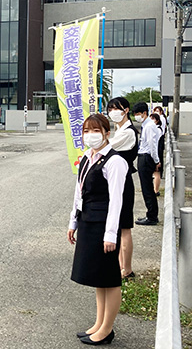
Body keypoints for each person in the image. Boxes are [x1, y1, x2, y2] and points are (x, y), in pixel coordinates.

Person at [68, 113, 128, 346]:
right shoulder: (86, 157)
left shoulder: (115, 162)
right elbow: (78, 192)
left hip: (104, 225)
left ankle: (107, 329)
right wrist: (73, 222)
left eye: (95, 131)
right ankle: (99, 323)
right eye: (86, 131)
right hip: (87, 221)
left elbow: (116, 201)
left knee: (109, 278)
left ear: (107, 133)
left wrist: (111, 234)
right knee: (97, 277)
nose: (90, 135)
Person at [107, 97, 138, 280]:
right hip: (116, 181)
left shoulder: (128, 133)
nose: (113, 112)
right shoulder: (120, 130)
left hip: (124, 182)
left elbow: (106, 148)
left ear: (126, 110)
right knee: (117, 226)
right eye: (110, 109)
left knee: (124, 227)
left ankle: (127, 270)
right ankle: (121, 266)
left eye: (116, 109)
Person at [133, 102, 161, 226]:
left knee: (147, 188)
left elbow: (152, 145)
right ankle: (151, 214)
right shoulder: (146, 125)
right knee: (146, 187)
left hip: (146, 157)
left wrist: (156, 161)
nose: (136, 116)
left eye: (138, 114)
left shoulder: (149, 126)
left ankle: (152, 216)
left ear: (145, 113)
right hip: (144, 156)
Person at [152, 107, 167, 197]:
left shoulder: (157, 129)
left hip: (157, 150)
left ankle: (156, 190)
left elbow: (154, 143)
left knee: (156, 171)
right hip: (157, 149)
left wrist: (156, 159)